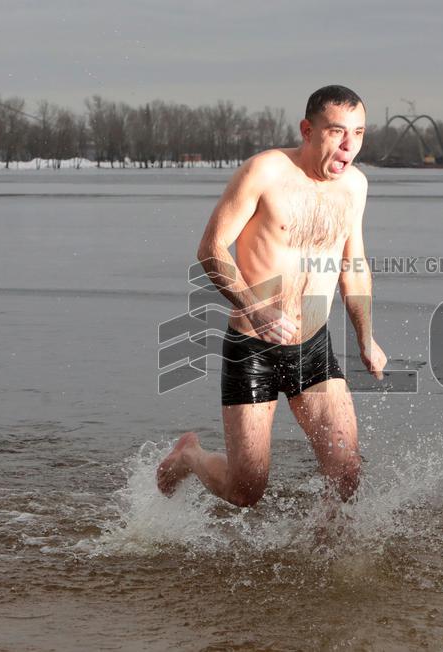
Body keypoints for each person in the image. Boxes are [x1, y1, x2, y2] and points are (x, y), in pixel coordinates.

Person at [156, 85, 386, 507]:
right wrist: (256, 308)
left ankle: (325, 563)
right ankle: (189, 453)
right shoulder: (265, 172)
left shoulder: (355, 186)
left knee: (347, 473)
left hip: (314, 347)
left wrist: (366, 337)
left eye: (359, 133)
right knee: (245, 490)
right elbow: (211, 249)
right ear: (307, 129)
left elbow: (354, 266)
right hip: (253, 348)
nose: (349, 145)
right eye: (337, 132)